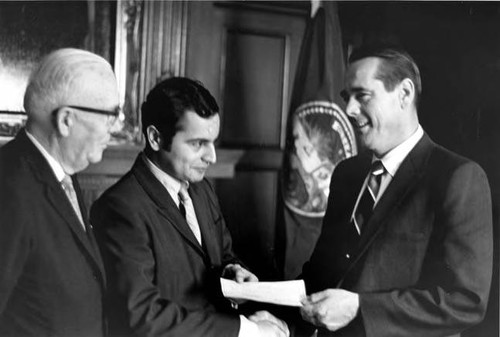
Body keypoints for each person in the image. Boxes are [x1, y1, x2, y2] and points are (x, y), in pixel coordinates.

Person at [298, 46, 493, 336]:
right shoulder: (347, 174)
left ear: (404, 94)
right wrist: (259, 292)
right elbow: (322, 275)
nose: (349, 110)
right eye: (346, 98)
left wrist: (360, 307)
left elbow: (466, 301)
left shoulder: (457, 177)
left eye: (362, 96)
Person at [90, 77, 289, 337]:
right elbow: (142, 315)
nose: (212, 157)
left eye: (213, 142)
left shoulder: (200, 188)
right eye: (198, 144)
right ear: (155, 137)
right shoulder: (120, 208)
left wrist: (234, 274)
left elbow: (223, 256)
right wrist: (245, 330)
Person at [0, 48, 121, 336]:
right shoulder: (10, 188)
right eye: (110, 114)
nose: (113, 129)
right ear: (67, 120)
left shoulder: (60, 171)